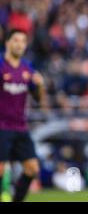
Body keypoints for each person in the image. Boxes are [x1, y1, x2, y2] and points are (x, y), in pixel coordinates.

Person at [0, 29, 47, 202]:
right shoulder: (0, 65)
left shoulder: (27, 68)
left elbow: (37, 97)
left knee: (32, 168)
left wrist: (40, 85)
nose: (20, 44)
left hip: (20, 126)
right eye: (16, 40)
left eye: (23, 41)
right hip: (2, 126)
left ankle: (16, 200)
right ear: (7, 43)